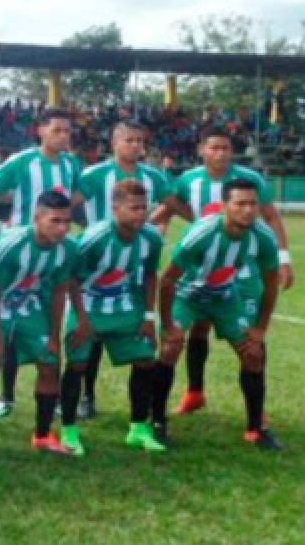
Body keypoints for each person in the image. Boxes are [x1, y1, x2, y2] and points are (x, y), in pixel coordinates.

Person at [152, 128, 293, 421]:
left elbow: (271, 217)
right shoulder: (188, 180)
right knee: (198, 329)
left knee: (252, 341)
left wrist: (283, 258)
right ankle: (194, 393)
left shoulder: (249, 181)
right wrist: (154, 229)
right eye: (214, 148)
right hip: (201, 272)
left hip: (243, 275)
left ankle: (257, 413)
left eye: (226, 148)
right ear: (202, 150)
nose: (221, 153)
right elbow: (166, 210)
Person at [155, 178, 283, 450]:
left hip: (225, 296)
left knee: (253, 353)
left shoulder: (263, 237)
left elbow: (271, 283)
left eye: (253, 204)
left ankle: (256, 429)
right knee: (169, 349)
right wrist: (168, 325)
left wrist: (260, 329)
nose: (248, 210)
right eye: (240, 203)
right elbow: (167, 281)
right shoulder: (202, 234)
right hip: (188, 295)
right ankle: (157, 422)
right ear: (225, 206)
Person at [0, 108, 82, 420]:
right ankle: (7, 397)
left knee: (54, 324)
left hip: (52, 256)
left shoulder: (72, 163)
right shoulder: (22, 162)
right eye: (57, 130)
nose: (63, 136)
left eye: (67, 131)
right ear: (40, 131)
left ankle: (59, 398)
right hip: (18, 256)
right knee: (9, 329)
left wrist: (62, 220)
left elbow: (77, 194)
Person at [69, 120, 172, 420]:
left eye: (140, 140)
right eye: (129, 140)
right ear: (114, 143)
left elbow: (175, 203)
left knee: (132, 330)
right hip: (97, 264)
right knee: (92, 336)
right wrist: (84, 231)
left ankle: (143, 413)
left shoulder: (153, 176)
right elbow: (68, 204)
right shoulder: (94, 175)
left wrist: (158, 223)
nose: (136, 146)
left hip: (134, 264)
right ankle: (86, 396)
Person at [0, 189, 79, 459]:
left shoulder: (68, 249)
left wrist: (54, 336)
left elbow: (59, 292)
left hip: (31, 311)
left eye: (67, 221)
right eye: (55, 221)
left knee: (50, 365)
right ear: (37, 218)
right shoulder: (12, 246)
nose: (62, 228)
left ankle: (42, 435)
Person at [60, 180, 166, 456]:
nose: (141, 214)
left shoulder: (152, 238)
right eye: (134, 208)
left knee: (145, 359)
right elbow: (72, 280)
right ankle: (68, 431)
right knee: (77, 365)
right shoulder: (94, 239)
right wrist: (82, 320)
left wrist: (148, 316)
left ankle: (138, 429)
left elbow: (152, 275)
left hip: (126, 307)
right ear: (115, 208)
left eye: (144, 208)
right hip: (89, 307)